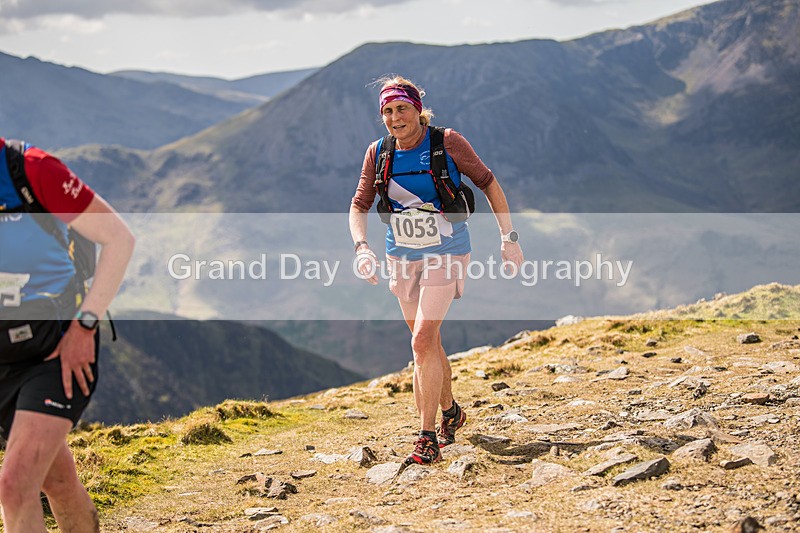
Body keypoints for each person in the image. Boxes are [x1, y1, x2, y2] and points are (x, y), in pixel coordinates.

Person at [349, 76, 524, 465]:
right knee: (427, 343)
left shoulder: (447, 142)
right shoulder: (378, 152)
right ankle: (451, 412)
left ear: (417, 109)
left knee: (421, 340)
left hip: (447, 252)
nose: (395, 118)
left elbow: (488, 183)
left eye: (402, 109)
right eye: (388, 112)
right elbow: (359, 203)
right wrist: (362, 247)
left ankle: (426, 436)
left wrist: (508, 237)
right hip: (401, 256)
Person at [0, 138, 135, 532]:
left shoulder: (31, 170)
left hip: (55, 349)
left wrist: (84, 327)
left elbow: (119, 239)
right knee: (57, 481)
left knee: (13, 486)